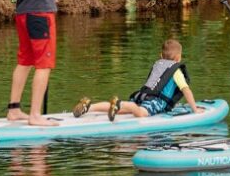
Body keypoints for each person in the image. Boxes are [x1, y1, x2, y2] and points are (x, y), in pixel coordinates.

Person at [72, 39, 202, 120]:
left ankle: (90, 107)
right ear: (178, 58)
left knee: (122, 111)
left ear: (161, 55)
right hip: (155, 101)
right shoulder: (175, 70)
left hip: (141, 95)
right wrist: (195, 109)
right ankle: (122, 104)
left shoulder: (159, 64)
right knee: (140, 113)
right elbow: (186, 90)